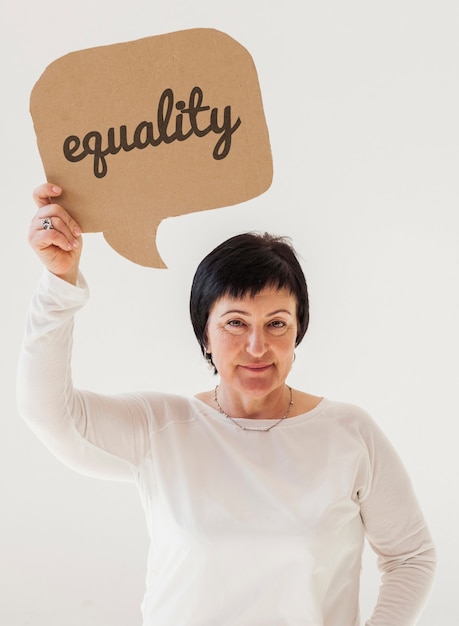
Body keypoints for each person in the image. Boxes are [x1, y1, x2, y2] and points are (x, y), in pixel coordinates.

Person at [17, 182, 436, 626]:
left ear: (298, 332)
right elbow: (48, 412)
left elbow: (411, 556)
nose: (258, 346)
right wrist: (58, 284)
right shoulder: (162, 428)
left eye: (277, 323)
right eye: (235, 322)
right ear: (206, 335)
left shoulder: (349, 433)